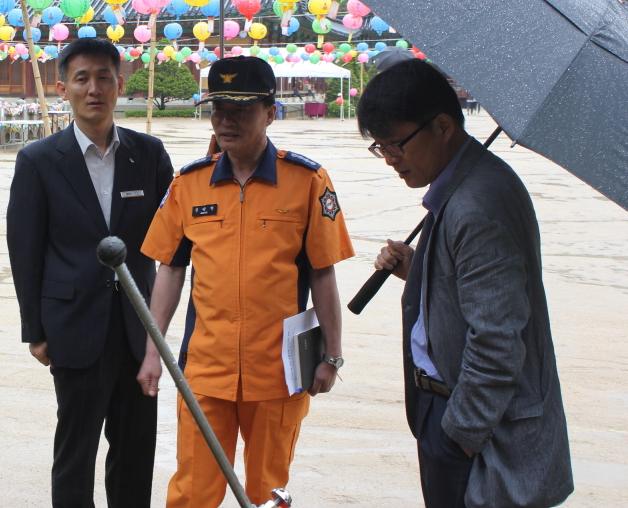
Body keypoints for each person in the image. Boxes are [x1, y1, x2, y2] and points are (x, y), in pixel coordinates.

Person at [139, 56, 354, 508]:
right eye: (218, 110)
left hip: (279, 373)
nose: (226, 121)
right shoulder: (189, 184)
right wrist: (152, 352)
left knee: (266, 492)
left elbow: (323, 273)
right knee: (192, 493)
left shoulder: (307, 181)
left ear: (270, 113)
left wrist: (331, 355)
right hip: (205, 370)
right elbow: (170, 270)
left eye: (240, 110)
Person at [360, 60, 572, 508]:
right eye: (380, 147)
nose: (391, 159)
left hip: (478, 430)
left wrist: (460, 436)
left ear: (442, 126)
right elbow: (474, 290)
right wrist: (420, 268)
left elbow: (497, 338)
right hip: (449, 410)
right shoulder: (458, 190)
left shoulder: (477, 205)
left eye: (396, 144)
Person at [6, 37, 174, 508]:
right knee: (75, 451)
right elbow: (25, 250)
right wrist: (34, 330)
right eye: (82, 78)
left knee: (135, 449)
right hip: (74, 326)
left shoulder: (149, 154)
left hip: (138, 330)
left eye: (104, 78)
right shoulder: (39, 160)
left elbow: (173, 238)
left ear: (120, 84)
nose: (94, 88)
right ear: (63, 88)